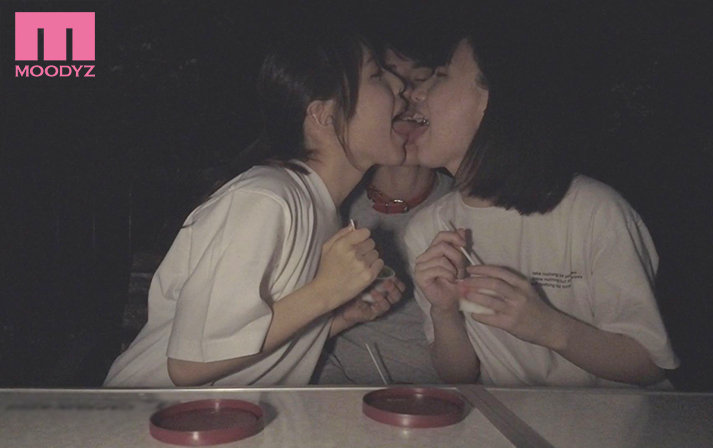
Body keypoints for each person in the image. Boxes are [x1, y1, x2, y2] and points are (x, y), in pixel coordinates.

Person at [104, 21, 408, 387]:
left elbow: (251, 338)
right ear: (323, 115)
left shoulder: (320, 207)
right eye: (377, 75)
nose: (399, 85)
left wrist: (337, 318)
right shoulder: (266, 199)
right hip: (141, 414)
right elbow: (189, 364)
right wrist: (326, 291)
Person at [402, 7, 679, 387]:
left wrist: (547, 326)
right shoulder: (429, 229)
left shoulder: (594, 211)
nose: (416, 93)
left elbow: (648, 364)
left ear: (494, 102)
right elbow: (457, 374)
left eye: (442, 75)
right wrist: (445, 311)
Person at [313, 25, 452, 385]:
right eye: (386, 78)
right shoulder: (332, 199)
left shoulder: (463, 209)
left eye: (420, 80)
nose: (404, 95)